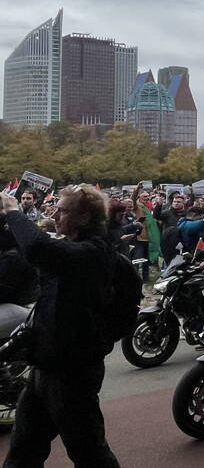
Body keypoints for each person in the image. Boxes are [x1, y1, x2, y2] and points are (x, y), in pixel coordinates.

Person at [0, 185, 121, 466]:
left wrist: (14, 212)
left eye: (63, 210)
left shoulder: (93, 252)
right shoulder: (70, 245)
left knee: (89, 453)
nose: (54, 215)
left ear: (84, 217)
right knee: (23, 451)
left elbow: (37, 247)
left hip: (73, 372)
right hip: (45, 366)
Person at [158, 193, 187, 263]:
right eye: (174, 202)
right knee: (169, 262)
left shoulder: (186, 213)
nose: (176, 203)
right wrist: (159, 205)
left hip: (182, 241)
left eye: (178, 202)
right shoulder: (167, 212)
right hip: (168, 241)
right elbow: (156, 216)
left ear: (183, 203)